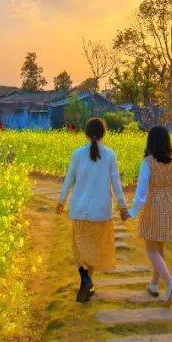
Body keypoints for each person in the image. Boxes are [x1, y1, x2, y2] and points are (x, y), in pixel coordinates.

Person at [57, 117, 128, 302]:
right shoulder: (110, 155)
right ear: (104, 133)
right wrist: (122, 206)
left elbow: (69, 179)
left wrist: (61, 200)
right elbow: (116, 184)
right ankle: (87, 284)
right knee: (94, 250)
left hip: (80, 210)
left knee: (80, 250)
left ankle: (85, 280)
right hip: (101, 212)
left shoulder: (77, 154)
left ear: (86, 133)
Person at [126, 125, 172, 305]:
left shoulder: (148, 162)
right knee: (160, 247)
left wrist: (133, 211)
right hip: (169, 204)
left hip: (153, 204)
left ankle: (170, 281)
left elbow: (141, 192)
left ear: (150, 141)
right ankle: (154, 285)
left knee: (151, 249)